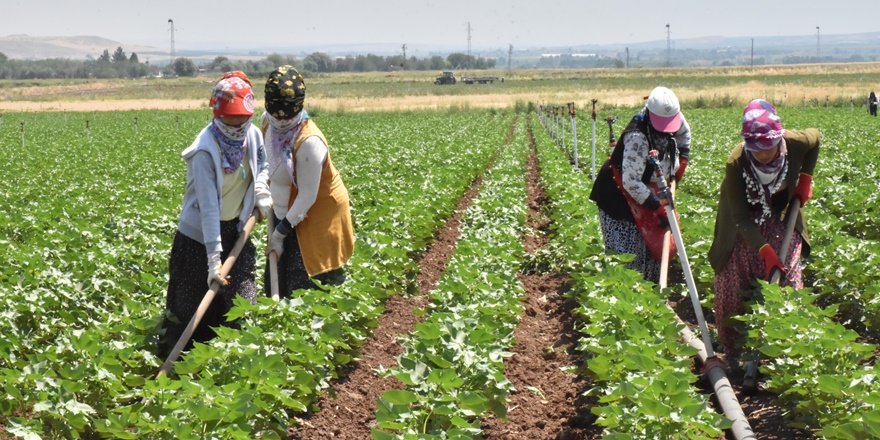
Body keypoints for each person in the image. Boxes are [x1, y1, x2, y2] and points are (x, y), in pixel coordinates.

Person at [159, 71, 272, 357]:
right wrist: (213, 262)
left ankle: (239, 364)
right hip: (198, 238)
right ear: (218, 116)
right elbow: (209, 210)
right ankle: (178, 370)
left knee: (242, 305)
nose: (237, 126)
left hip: (237, 228)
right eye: (230, 120)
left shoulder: (253, 134)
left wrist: (260, 189)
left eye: (242, 120)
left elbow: (264, 164)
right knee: (190, 313)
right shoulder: (203, 151)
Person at [708, 99, 819, 365]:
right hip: (744, 221)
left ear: (778, 139)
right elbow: (740, 218)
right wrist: (765, 250)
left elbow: (817, 139)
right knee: (733, 280)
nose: (763, 155)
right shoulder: (736, 162)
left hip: (780, 214)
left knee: (788, 278)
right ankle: (735, 351)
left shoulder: (795, 142)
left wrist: (806, 178)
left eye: (768, 148)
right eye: (757, 150)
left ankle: (785, 352)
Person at [261, 65, 355, 298]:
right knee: (277, 278)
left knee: (307, 285)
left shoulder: (309, 142)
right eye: (277, 114)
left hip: (318, 213)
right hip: (285, 209)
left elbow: (307, 197)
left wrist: (280, 233)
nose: (282, 121)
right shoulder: (266, 123)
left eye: (288, 115)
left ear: (299, 108)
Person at [589, 86, 691, 282]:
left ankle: (651, 287)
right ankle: (627, 290)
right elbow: (631, 182)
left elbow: (684, 136)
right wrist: (657, 208)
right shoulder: (637, 137)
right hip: (618, 193)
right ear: (651, 115)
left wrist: (682, 162)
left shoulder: (674, 116)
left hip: (650, 185)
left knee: (651, 244)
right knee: (627, 251)